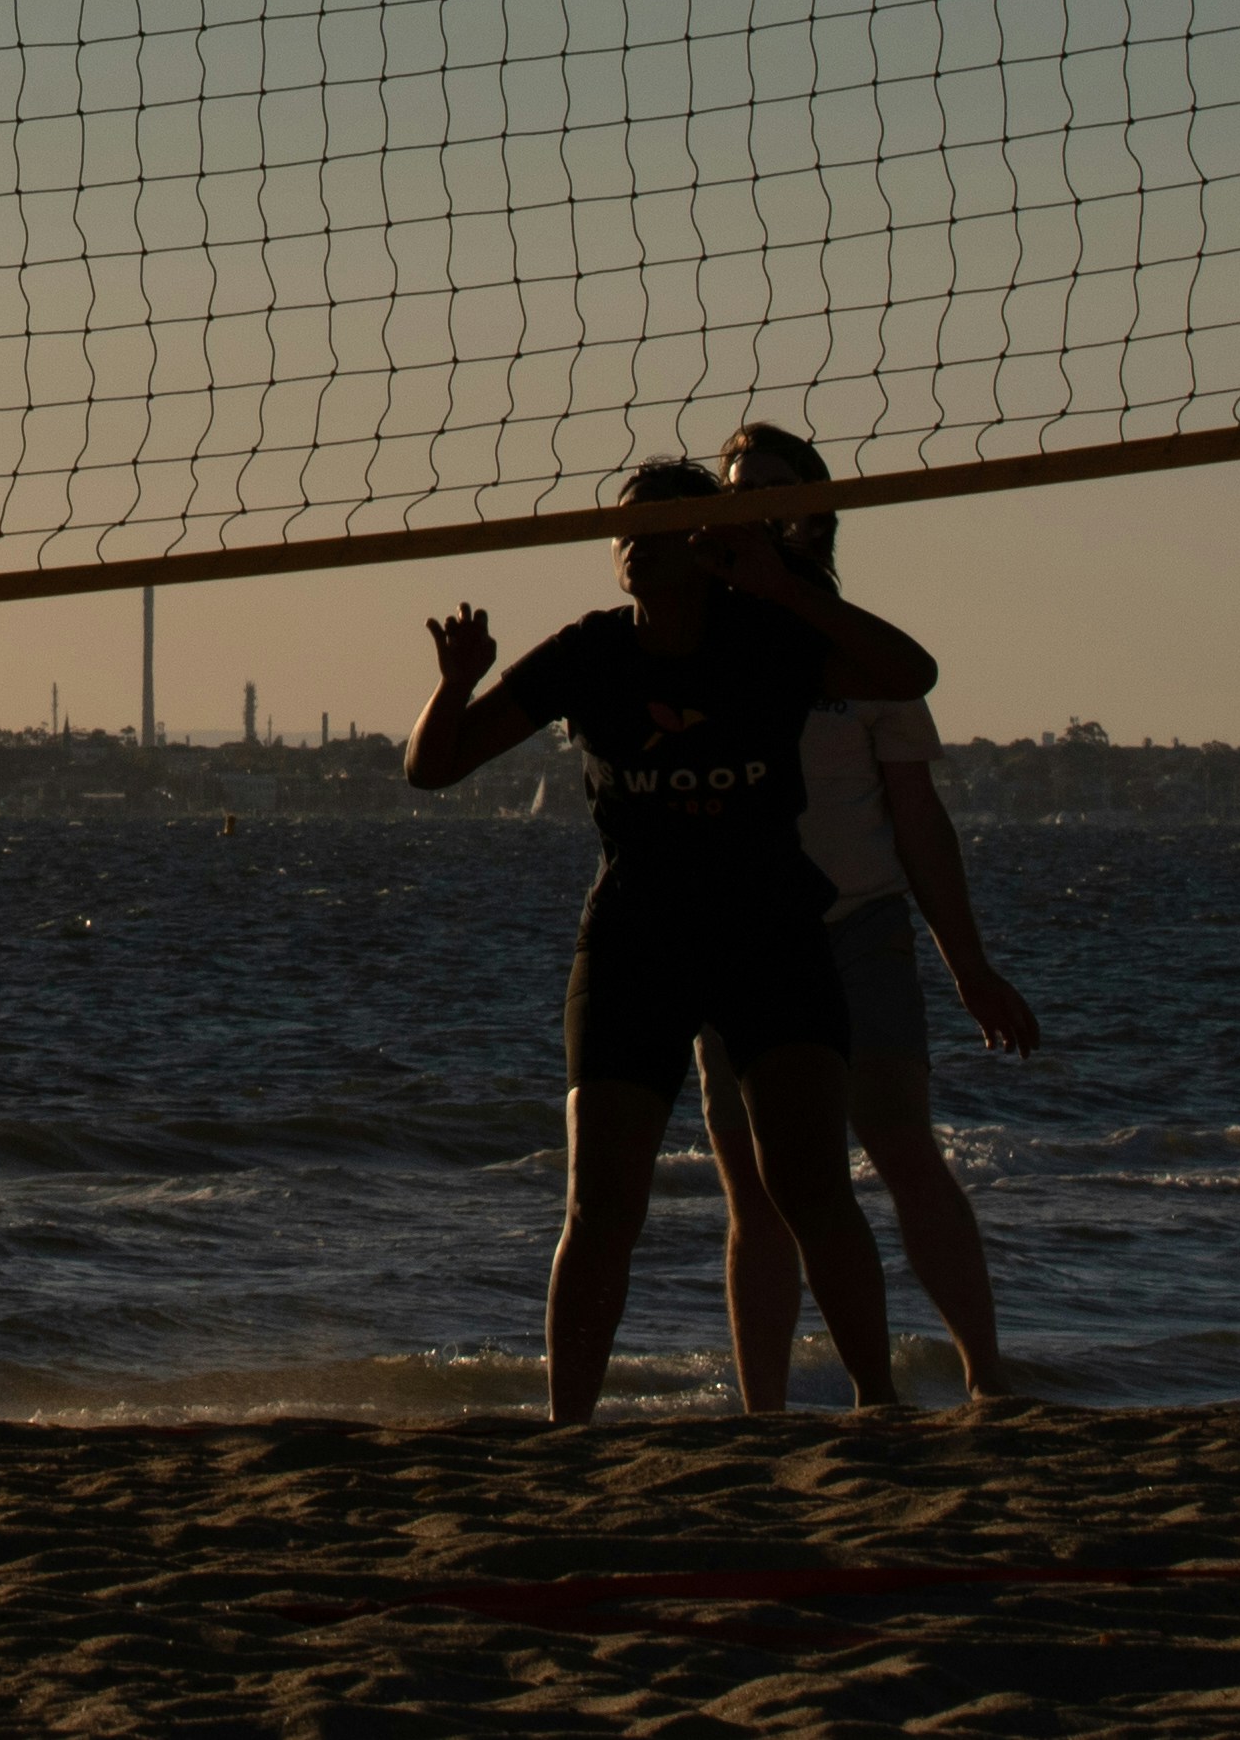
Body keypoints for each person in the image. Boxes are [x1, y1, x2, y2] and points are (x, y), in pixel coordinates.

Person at [409, 440, 948, 1421]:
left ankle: (878, 1407)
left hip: (769, 932)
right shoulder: (593, 650)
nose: (634, 543)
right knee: (600, 1204)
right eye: (626, 528)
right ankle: (569, 1426)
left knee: (809, 1184)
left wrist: (787, 590)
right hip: (637, 939)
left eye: (658, 527)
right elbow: (434, 768)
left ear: (708, 546)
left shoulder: (768, 639)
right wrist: (456, 682)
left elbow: (911, 671)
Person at [693, 425, 1042, 1410]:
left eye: (773, 489)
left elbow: (920, 818)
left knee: (899, 1146)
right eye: (735, 491)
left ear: (813, 512)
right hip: (738, 939)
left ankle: (987, 1378)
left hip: (859, 929)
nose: (753, 503)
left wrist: (969, 964)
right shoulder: (689, 640)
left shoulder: (860, 650)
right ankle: (764, 1408)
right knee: (757, 1190)